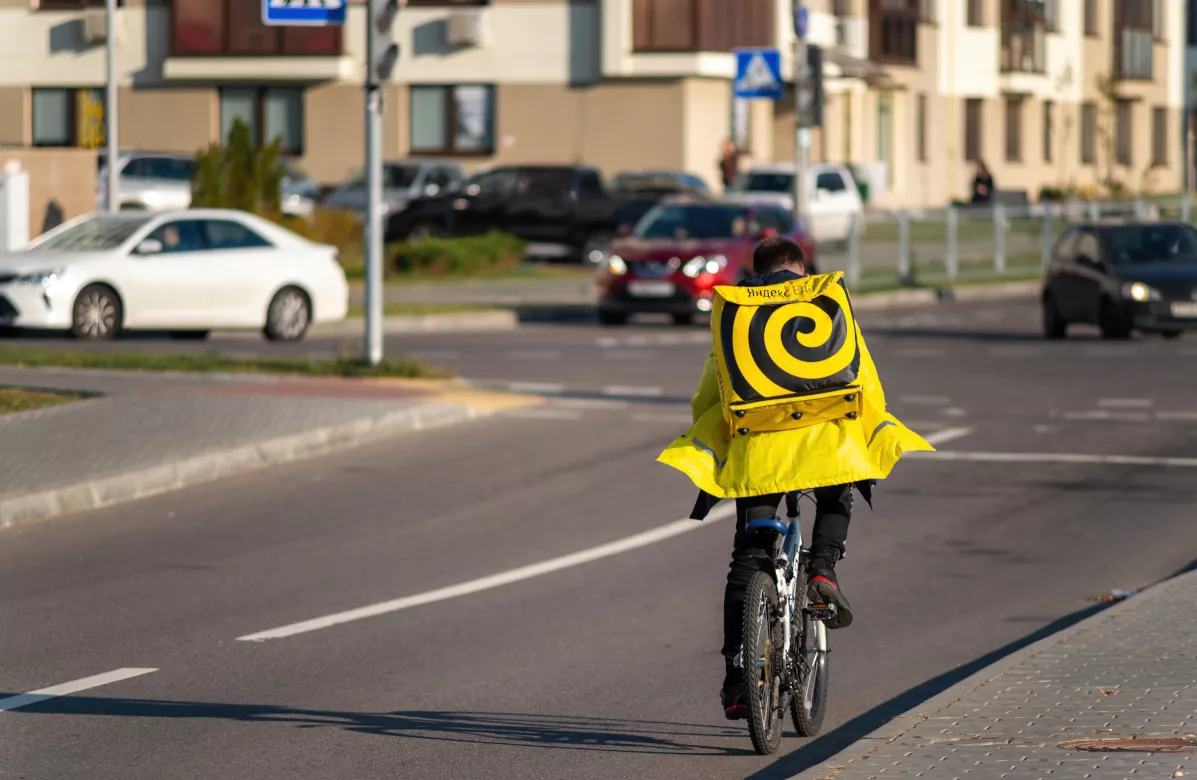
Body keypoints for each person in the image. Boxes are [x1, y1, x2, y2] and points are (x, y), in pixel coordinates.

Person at [656, 236, 933, 721]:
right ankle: (823, 568)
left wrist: (722, 445)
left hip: (759, 452)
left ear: (757, 273)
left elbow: (709, 395)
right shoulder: (826, 306)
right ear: (801, 271)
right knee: (837, 492)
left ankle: (739, 678)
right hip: (826, 442)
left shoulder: (738, 315)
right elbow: (862, 378)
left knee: (748, 556)